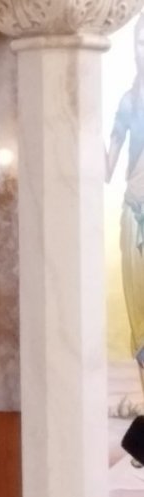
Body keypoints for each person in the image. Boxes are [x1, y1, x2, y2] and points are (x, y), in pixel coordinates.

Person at [107, 14, 144, 373]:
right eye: (140, 42)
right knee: (141, 321)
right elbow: (106, 168)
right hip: (135, 213)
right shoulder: (129, 101)